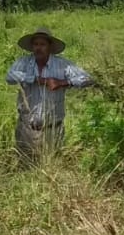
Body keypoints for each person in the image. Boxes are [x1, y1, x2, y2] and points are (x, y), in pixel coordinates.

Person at [5, 27, 93, 162]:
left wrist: (63, 82)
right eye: (35, 44)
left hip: (52, 128)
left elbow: (87, 79)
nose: (38, 48)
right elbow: (10, 76)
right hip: (27, 128)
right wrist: (39, 80)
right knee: (26, 167)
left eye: (42, 44)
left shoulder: (62, 64)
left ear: (50, 47)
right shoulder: (24, 62)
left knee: (52, 164)